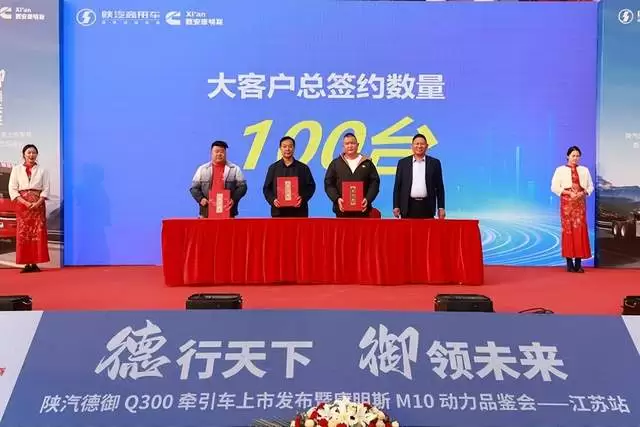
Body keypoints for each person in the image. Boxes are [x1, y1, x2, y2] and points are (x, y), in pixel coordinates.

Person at [7, 144, 50, 273]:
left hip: (38, 206)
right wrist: (25, 202)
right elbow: (12, 189)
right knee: (23, 234)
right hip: (22, 206)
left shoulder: (43, 170)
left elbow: (46, 188)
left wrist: (38, 202)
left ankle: (35, 262)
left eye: (34, 152)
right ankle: (26, 263)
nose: (31, 155)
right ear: (24, 155)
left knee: (37, 233)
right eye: (29, 152)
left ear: (37, 155)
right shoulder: (16, 169)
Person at [551, 145, 593, 273]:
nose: (575, 158)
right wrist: (568, 193)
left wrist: (583, 193)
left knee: (580, 231)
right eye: (573, 155)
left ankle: (578, 264)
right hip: (567, 204)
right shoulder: (560, 170)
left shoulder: (584, 170)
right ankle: (569, 263)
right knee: (568, 231)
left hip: (580, 204)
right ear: (567, 156)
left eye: (577, 156)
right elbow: (554, 187)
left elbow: (590, 186)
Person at [324, 133, 380, 218]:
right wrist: (337, 199)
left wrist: (368, 199)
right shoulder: (335, 164)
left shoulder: (367, 163)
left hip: (363, 210)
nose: (350, 146)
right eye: (347, 144)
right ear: (343, 146)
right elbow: (329, 184)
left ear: (357, 145)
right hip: (342, 210)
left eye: (352, 143)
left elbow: (374, 183)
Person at [392, 133, 445, 219]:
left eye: (422, 144)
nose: (419, 146)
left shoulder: (434, 163)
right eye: (417, 144)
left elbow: (440, 187)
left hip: (427, 206)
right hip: (408, 206)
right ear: (412, 146)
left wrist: (441, 207)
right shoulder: (403, 163)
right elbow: (397, 187)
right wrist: (396, 206)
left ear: (427, 146)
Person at [190, 140, 247, 218]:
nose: (219, 154)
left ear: (225, 153)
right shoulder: (202, 169)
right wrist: (201, 199)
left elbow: (243, 187)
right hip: (206, 211)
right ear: (211, 153)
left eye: (222, 152)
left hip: (228, 211)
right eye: (216, 151)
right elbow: (194, 188)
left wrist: (233, 199)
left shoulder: (234, 169)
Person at [262, 136, 316, 217]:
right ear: (280, 149)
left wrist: (302, 198)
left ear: (294, 148)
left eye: (290, 146)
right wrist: (273, 200)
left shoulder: (303, 168)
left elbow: (311, 187)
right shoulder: (273, 168)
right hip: (278, 212)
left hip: (299, 212)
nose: (287, 149)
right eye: (284, 146)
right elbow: (266, 188)